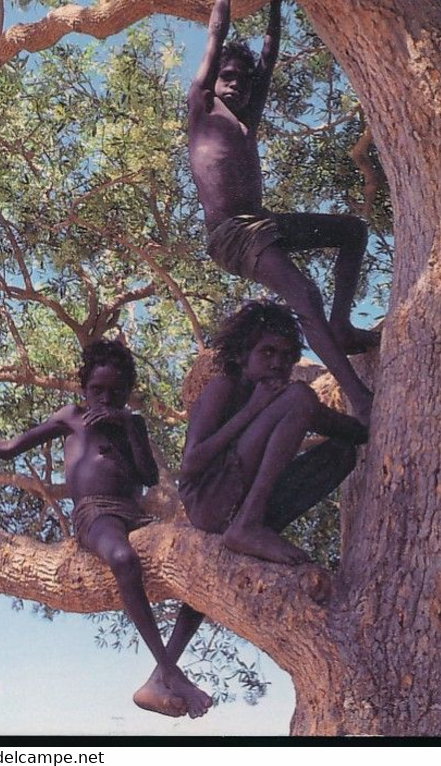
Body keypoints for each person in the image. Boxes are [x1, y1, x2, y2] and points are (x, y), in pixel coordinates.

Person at [0, 339, 213, 721]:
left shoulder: (131, 423)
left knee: (203, 563)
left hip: (134, 515)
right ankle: (171, 671)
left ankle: (156, 677)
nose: (104, 398)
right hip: (94, 514)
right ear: (83, 389)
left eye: (114, 392)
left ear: (126, 393)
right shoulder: (71, 417)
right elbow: (8, 448)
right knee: (122, 558)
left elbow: (149, 476)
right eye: (96, 390)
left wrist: (127, 425)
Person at [132, 300, 367, 718]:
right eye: (267, 353)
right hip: (211, 500)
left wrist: (375, 418)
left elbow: (342, 428)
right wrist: (255, 410)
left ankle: (161, 673)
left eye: (285, 355)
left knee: (341, 453)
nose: (277, 363)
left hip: (240, 505)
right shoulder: (225, 388)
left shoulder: (281, 397)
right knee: (300, 395)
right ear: (243, 355)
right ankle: (249, 526)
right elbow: (191, 464)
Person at [187, 0, 375, 426]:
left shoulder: (247, 122)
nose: (234, 83)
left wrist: (277, 0)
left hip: (262, 223)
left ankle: (342, 327)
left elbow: (268, 60)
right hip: (232, 234)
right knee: (303, 293)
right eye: (227, 76)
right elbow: (214, 38)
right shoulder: (202, 106)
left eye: (241, 80)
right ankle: (358, 396)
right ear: (214, 81)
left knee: (352, 231)